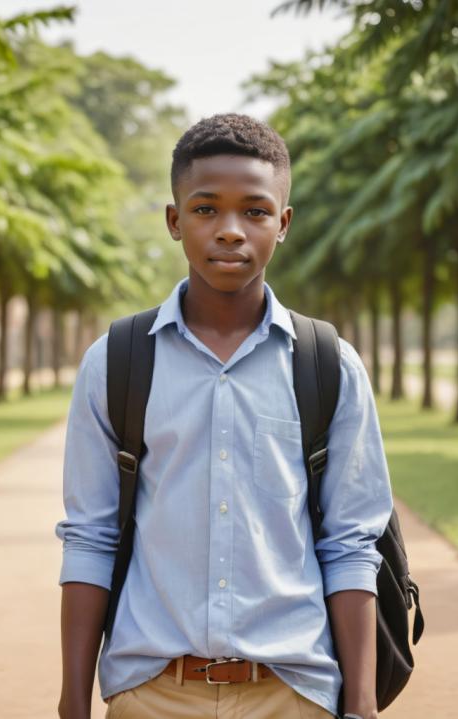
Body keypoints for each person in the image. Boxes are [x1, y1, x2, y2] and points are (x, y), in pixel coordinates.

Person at [56, 114, 394, 719]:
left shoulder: (328, 365)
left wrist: (362, 707)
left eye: (256, 212)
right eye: (206, 209)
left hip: (293, 693)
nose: (231, 231)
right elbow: (91, 537)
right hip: (151, 693)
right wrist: (72, 702)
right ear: (174, 220)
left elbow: (349, 544)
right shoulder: (117, 361)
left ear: (283, 224)